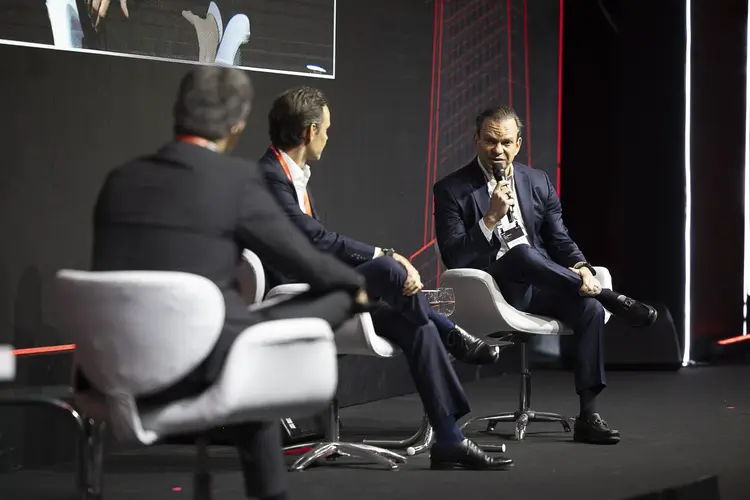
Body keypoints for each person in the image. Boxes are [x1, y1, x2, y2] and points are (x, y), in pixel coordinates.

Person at [89, 66, 369, 500]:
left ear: (175, 111)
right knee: (337, 297)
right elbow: (306, 262)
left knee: (246, 362)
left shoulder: (118, 179)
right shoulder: (235, 181)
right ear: (237, 127)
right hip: (195, 365)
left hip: (108, 370)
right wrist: (356, 286)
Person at [257, 86, 513, 470]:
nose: (329, 136)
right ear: (310, 132)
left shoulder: (293, 175)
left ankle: (450, 439)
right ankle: (452, 333)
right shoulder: (269, 177)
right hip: (295, 297)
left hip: (327, 289)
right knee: (391, 269)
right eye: (326, 129)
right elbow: (313, 240)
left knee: (415, 327)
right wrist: (385, 254)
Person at [433, 106, 658, 445]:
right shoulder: (451, 189)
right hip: (491, 287)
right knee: (522, 253)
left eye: (506, 142)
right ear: (476, 140)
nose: (498, 150)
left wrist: (582, 268)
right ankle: (610, 298)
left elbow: (559, 239)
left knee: (590, 310)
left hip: (541, 281)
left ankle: (588, 415)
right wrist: (491, 218)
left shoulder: (536, 181)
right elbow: (454, 256)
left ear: (519, 143)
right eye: (490, 141)